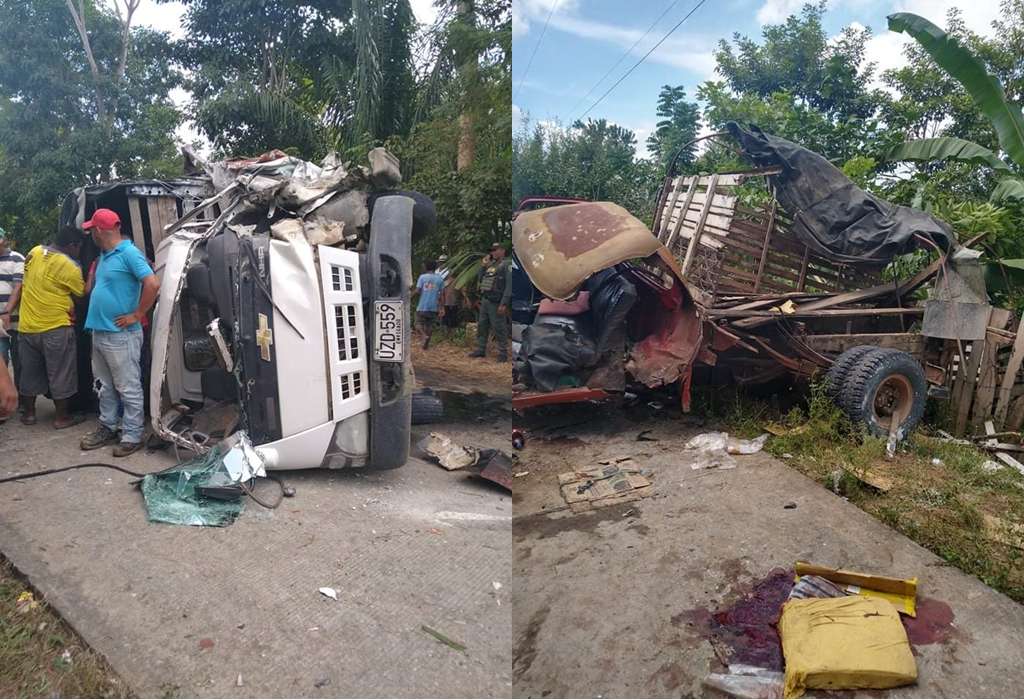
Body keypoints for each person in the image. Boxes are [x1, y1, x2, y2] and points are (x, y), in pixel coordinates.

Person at [78, 209, 160, 458]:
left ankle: (132, 434)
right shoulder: (104, 256)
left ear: (100, 230)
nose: (90, 233)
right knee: (103, 386)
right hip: (101, 332)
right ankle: (108, 425)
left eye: (92, 229)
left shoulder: (129, 253)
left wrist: (137, 314)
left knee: (127, 386)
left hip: (121, 335)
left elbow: (152, 284)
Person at [17, 226, 85, 428]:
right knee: (61, 372)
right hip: (56, 327)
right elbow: (81, 295)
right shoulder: (69, 266)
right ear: (72, 245)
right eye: (79, 247)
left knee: (28, 372)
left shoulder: (33, 252)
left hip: (27, 327)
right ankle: (61, 418)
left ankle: (29, 415)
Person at [469, 242, 512, 362]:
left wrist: (504, 303)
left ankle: (502, 353)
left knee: (499, 327)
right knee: (482, 325)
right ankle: (481, 349)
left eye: (495, 250)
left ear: (503, 250)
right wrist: (483, 266)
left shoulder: (507, 264)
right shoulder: (491, 265)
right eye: (492, 250)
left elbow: (509, 285)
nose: (493, 252)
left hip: (496, 301)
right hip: (486, 300)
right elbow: (481, 279)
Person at [0, 227, 25, 398]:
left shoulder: (17, 258)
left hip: (15, 321)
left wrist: (6, 312)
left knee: (20, 362)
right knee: (2, 361)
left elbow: (19, 287)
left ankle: (23, 401)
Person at [414, 260, 445, 350]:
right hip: (433, 307)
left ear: (426, 267)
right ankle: (426, 345)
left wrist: (409, 295)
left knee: (417, 323)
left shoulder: (422, 277)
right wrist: (442, 307)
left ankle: (423, 335)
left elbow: (418, 290)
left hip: (422, 306)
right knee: (430, 325)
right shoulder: (439, 279)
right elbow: (442, 294)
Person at [437, 254, 462, 334]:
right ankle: (444, 332)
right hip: (441, 297)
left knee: (452, 316)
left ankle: (451, 333)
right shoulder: (437, 271)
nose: (442, 264)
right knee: (443, 316)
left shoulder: (451, 272)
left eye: (444, 262)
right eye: (441, 262)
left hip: (450, 298)